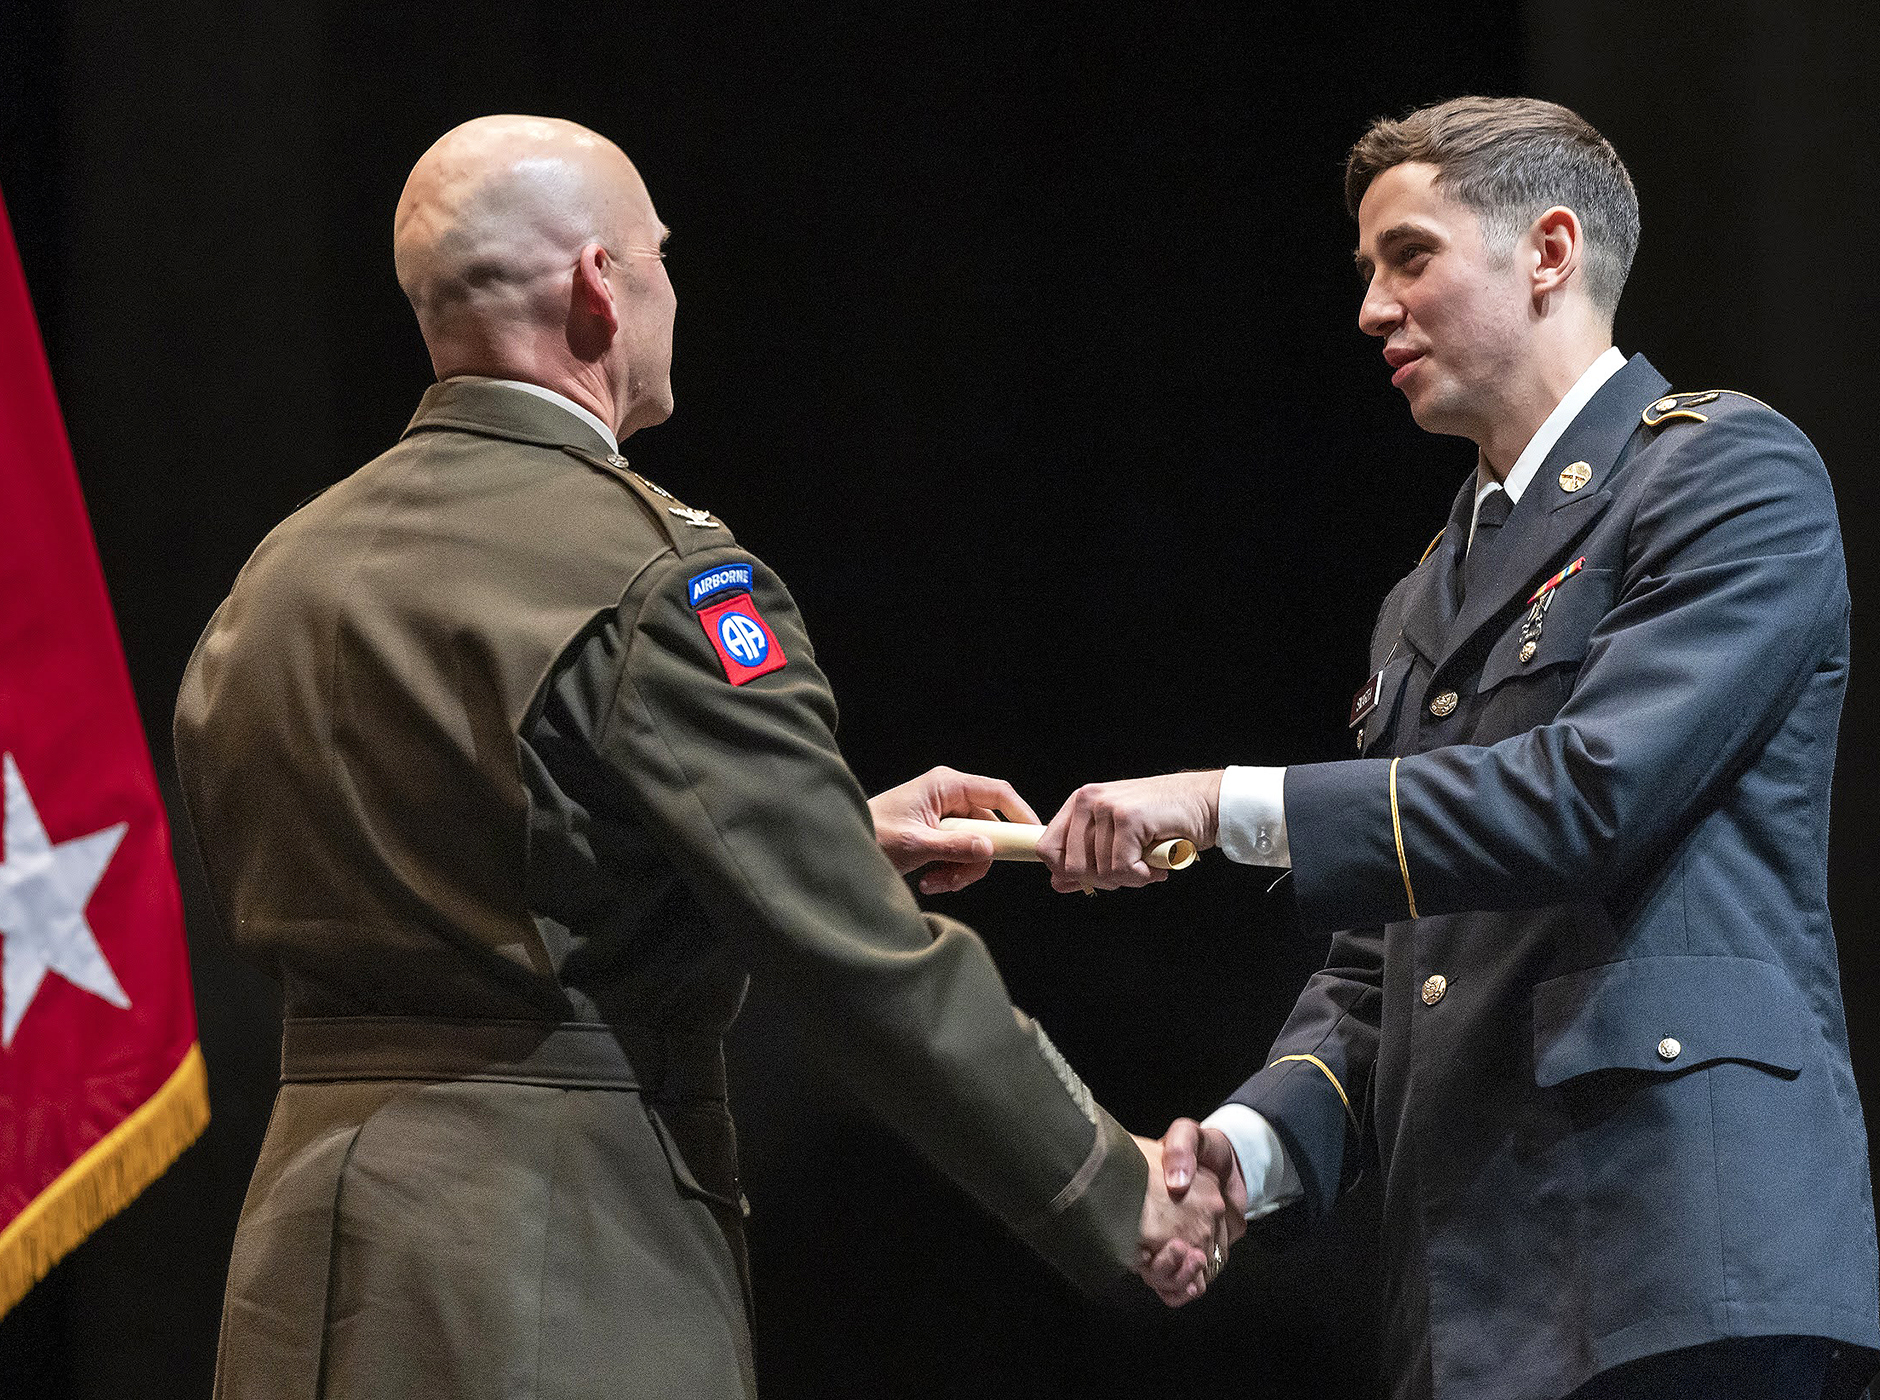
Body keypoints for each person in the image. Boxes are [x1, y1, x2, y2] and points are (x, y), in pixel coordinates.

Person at [172, 114, 1236, 1400]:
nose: (676, 286)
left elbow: (447, 865)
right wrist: (1117, 1188)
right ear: (596, 288)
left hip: (302, 1271)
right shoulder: (659, 580)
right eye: (659, 255)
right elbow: (865, 967)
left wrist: (786, 841)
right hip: (557, 1260)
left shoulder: (275, 575)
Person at [1038, 97, 1880, 1400]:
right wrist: (1249, 1152)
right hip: (1478, 1291)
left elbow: (1582, 797)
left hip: (1677, 1255)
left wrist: (1218, 804)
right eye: (1368, 270)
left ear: (1548, 253)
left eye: (1410, 257)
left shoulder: (1728, 475)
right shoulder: (1429, 592)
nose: (1372, 308)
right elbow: (1389, 970)